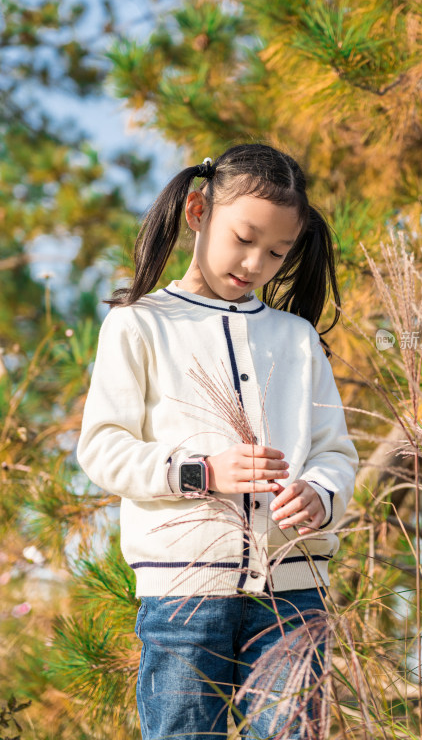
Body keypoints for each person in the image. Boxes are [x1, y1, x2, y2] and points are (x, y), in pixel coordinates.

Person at [76, 142, 359, 740]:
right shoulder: (139, 323)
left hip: (294, 594)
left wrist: (319, 493)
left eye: (277, 252)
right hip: (182, 595)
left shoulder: (298, 337)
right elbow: (101, 448)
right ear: (198, 211)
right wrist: (203, 472)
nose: (256, 262)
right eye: (244, 238)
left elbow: (335, 451)